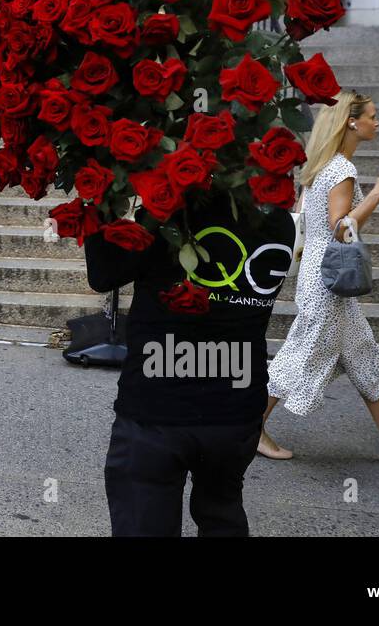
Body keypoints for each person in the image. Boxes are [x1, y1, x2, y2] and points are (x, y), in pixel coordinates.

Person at [85, 191, 295, 537]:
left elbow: (104, 273)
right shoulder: (279, 222)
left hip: (158, 407)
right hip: (236, 408)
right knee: (222, 513)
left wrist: (101, 196)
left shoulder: (171, 217)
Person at [260, 90, 379, 461]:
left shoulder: (322, 165)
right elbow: (341, 229)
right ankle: (250, 428)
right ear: (351, 122)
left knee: (359, 354)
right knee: (299, 355)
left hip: (321, 276)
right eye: (372, 116)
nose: (378, 122)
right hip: (328, 282)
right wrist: (376, 195)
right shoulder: (342, 170)